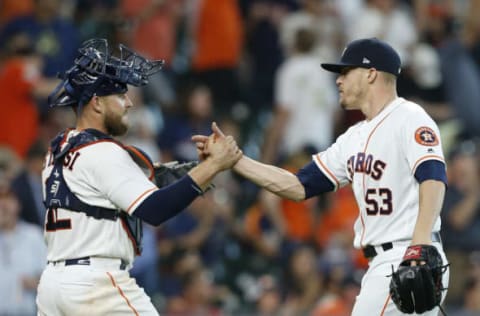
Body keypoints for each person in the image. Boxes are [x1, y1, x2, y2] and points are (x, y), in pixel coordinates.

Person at [195, 38, 449, 315]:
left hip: (406, 255)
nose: (338, 81)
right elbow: (297, 185)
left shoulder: (409, 116)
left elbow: (433, 176)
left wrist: (419, 245)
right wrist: (235, 161)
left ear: (371, 74)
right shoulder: (352, 138)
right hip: (388, 260)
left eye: (345, 72)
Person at [36, 38, 242, 316]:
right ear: (96, 103)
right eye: (121, 95)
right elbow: (154, 210)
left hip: (53, 286)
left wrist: (181, 174)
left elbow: (98, 196)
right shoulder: (103, 152)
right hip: (96, 285)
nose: (130, 102)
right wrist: (214, 166)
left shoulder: (58, 150)